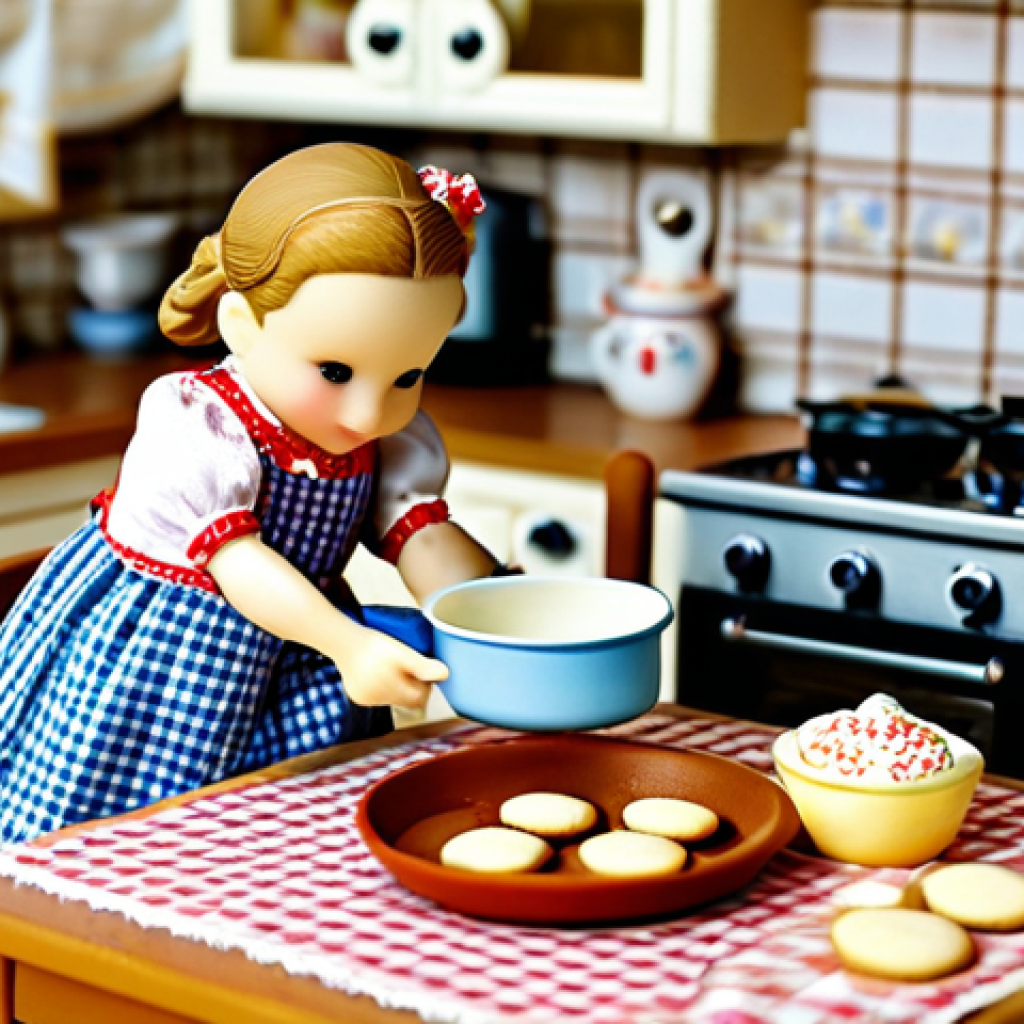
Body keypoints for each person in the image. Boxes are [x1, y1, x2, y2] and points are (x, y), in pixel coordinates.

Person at [0, 142, 501, 844]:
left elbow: (419, 533)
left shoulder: (381, 436)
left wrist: (481, 611)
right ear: (242, 324)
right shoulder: (197, 423)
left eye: (407, 376)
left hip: (293, 666)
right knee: (127, 840)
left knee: (292, 839)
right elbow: (238, 565)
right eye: (335, 370)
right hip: (163, 667)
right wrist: (350, 645)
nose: (366, 413)